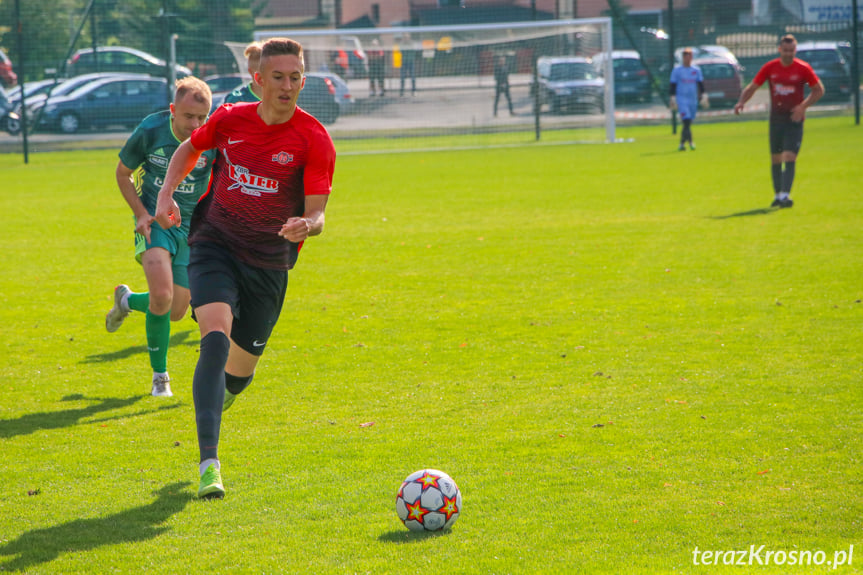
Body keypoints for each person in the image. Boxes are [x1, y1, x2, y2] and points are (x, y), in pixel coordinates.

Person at [154, 37, 336, 499]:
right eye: (278, 76)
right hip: (216, 243)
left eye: (295, 77)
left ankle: (221, 396)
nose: (288, 85)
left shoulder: (313, 138)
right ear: (258, 80)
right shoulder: (231, 119)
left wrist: (306, 225)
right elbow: (189, 149)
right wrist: (166, 192)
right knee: (213, 338)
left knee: (237, 374)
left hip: (269, 263)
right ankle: (209, 463)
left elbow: (317, 212)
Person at [105, 77, 216, 398]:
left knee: (177, 311)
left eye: (202, 117)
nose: (195, 124)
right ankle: (160, 376)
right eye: (188, 117)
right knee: (163, 296)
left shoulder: (213, 137)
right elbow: (122, 173)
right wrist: (141, 213)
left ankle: (126, 300)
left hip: (192, 229)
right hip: (154, 223)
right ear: (172, 111)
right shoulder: (151, 130)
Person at [734, 34, 824, 208]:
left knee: (789, 156)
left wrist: (802, 107)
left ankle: (785, 195)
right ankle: (777, 195)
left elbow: (818, 90)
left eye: (792, 51)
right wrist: (741, 102)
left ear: (795, 51)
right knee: (776, 158)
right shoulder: (770, 67)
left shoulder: (803, 68)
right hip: (776, 119)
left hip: (794, 118)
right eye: (786, 50)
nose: (789, 54)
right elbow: (752, 87)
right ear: (779, 50)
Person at [669, 48, 705, 151]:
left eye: (690, 56)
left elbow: (700, 84)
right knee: (686, 121)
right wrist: (673, 98)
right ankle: (691, 143)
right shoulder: (677, 70)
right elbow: (672, 85)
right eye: (686, 56)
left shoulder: (696, 70)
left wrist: (704, 96)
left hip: (692, 100)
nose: (688, 59)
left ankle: (682, 144)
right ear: (683, 57)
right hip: (681, 99)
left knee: (688, 123)